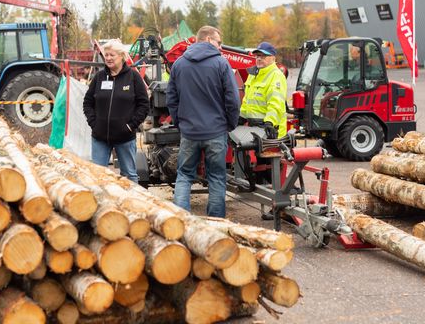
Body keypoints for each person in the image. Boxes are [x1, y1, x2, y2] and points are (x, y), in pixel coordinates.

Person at [166, 26, 241, 218]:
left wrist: (179, 123)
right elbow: (232, 99)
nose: (221, 47)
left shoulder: (179, 64)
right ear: (208, 40)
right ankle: (215, 223)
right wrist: (230, 125)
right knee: (216, 178)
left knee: (184, 176)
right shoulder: (221, 64)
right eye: (218, 42)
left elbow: (171, 99)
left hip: (189, 133)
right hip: (215, 131)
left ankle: (181, 222)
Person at [83, 39, 149, 183]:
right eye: (106, 55)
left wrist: (130, 126)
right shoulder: (99, 77)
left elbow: (144, 105)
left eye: (112, 55)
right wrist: (94, 123)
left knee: (129, 175)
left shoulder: (133, 77)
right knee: (98, 175)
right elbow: (87, 102)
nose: (108, 58)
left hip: (124, 137)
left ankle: (132, 204)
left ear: (122, 56)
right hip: (100, 137)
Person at [240, 42, 287, 138]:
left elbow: (276, 103)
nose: (259, 58)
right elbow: (247, 100)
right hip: (254, 129)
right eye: (257, 56)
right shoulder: (253, 75)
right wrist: (241, 117)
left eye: (263, 56)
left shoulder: (276, 76)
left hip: (271, 131)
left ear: (273, 58)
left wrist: (270, 122)